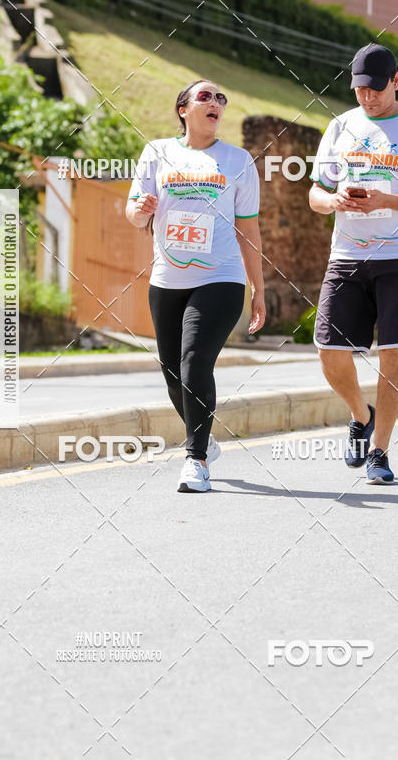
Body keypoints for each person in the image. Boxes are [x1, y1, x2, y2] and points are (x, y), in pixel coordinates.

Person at [308, 44, 398, 483]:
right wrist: (332, 200)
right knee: (329, 352)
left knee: (393, 358)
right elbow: (315, 194)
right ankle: (360, 413)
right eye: (359, 89)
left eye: (375, 89)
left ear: (395, 81)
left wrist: (386, 201)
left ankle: (380, 451)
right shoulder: (341, 126)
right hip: (347, 256)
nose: (366, 97)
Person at [126, 79, 265, 493]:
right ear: (183, 109)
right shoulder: (157, 152)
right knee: (172, 373)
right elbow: (134, 213)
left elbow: (249, 230)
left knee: (193, 362)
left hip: (220, 277)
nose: (216, 102)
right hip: (167, 278)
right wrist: (141, 208)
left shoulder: (238, 161)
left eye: (222, 98)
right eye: (205, 96)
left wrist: (258, 288)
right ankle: (202, 434)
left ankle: (196, 459)